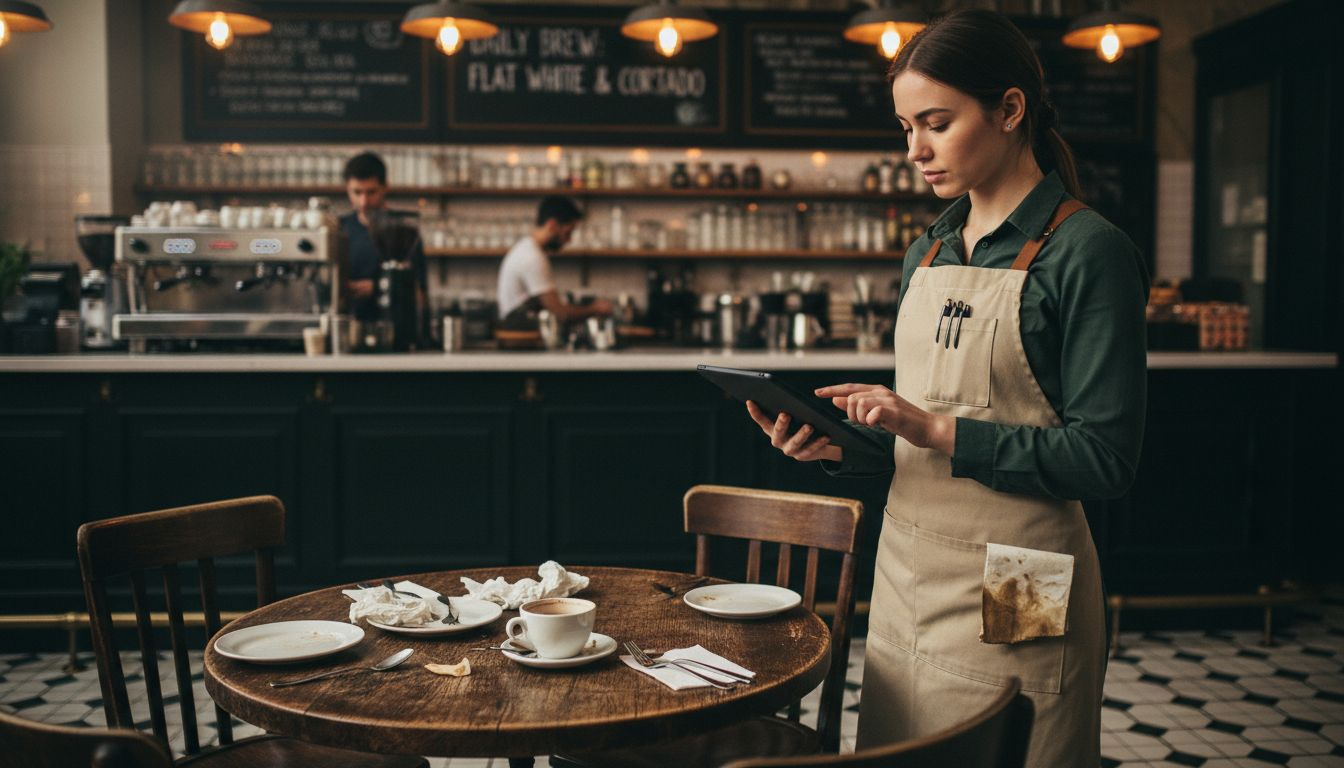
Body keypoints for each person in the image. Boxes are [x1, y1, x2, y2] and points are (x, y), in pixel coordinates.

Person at [744, 9, 1148, 767]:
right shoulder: (926, 252)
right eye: (904, 127)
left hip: (1020, 575)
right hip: (909, 571)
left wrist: (934, 429)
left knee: (1012, 747)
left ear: (1009, 109)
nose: (915, 150)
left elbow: (1105, 460)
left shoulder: (1087, 252)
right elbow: (918, 444)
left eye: (936, 122)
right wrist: (836, 447)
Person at [496, 195, 612, 328]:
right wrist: (595, 309)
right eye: (568, 233)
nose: (569, 240)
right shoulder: (532, 257)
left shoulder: (527, 249)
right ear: (552, 225)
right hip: (519, 337)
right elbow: (560, 314)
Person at [339, 151, 426, 321]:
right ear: (347, 189)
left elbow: (420, 294)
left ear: (385, 187)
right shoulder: (338, 229)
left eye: (371, 192)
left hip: (394, 327)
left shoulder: (405, 230)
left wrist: (379, 287)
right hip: (348, 327)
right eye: (357, 192)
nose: (363, 202)